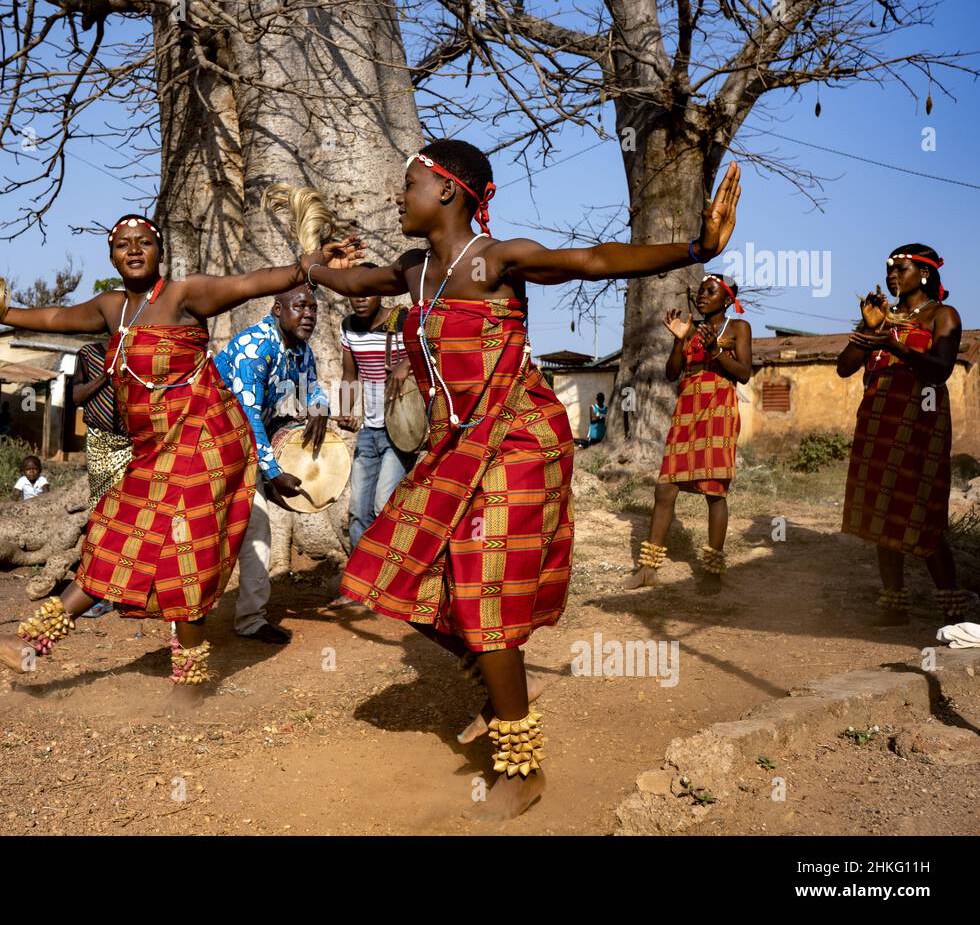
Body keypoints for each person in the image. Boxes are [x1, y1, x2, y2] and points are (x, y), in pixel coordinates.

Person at [300, 139, 741, 818]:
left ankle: (521, 766)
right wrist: (312, 266)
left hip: (519, 439)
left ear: (447, 191)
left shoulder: (497, 259)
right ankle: (491, 671)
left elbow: (594, 260)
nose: (398, 194)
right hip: (457, 446)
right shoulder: (415, 270)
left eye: (410, 181)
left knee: (481, 584)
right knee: (384, 568)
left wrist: (694, 250)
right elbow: (358, 285)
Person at [0, 212, 341, 693]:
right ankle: (31, 645)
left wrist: (303, 269)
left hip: (207, 443)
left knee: (188, 557)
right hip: (154, 452)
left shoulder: (184, 296)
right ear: (112, 256)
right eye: (123, 244)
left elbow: (249, 283)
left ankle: (189, 683)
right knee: (112, 539)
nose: (135, 250)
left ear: (160, 251)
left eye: (144, 241)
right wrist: (4, 314)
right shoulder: (110, 308)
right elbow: (57, 318)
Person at [837, 244, 974, 625]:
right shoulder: (882, 316)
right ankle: (893, 605)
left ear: (925, 274)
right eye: (889, 269)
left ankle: (953, 611)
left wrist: (898, 346)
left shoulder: (942, 315)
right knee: (882, 510)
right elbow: (844, 368)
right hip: (878, 418)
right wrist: (869, 328)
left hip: (922, 420)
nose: (892, 274)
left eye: (902, 268)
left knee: (922, 510)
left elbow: (940, 370)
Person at [214, 285, 333, 644]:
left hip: (246, 448)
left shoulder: (300, 350)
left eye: (314, 308)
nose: (309, 314)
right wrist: (274, 472)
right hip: (213, 447)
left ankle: (250, 619)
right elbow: (248, 416)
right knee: (210, 533)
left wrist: (319, 407)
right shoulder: (256, 347)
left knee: (255, 531)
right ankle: (184, 616)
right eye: (300, 306)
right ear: (277, 309)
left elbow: (313, 386)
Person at [623, 274, 752, 589]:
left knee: (714, 491)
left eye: (711, 291)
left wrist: (716, 351)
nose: (703, 295)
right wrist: (680, 339)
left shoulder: (738, 329)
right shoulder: (689, 327)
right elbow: (671, 372)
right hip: (687, 408)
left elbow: (745, 373)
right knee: (665, 488)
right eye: (701, 291)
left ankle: (712, 571)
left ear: (728, 298)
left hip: (719, 409)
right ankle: (647, 569)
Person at [338, 292, 415, 549]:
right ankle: (361, 580)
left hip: (400, 431)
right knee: (358, 509)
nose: (360, 299)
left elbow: (430, 351)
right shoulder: (349, 327)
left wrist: (406, 362)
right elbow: (350, 374)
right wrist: (346, 411)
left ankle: (388, 576)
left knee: (384, 505)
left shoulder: (404, 321)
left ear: (381, 294)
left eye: (368, 293)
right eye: (355, 294)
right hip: (368, 431)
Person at [73, 338, 134, 510]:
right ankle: (99, 533)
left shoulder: (135, 352)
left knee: (126, 498)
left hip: (130, 441)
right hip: (100, 440)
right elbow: (76, 397)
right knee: (100, 498)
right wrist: (104, 376)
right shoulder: (89, 354)